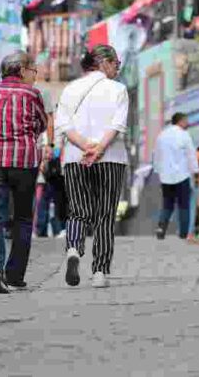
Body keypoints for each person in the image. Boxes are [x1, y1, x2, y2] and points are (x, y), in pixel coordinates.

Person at [55, 45, 130, 289]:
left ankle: (74, 248)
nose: (117, 68)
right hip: (111, 158)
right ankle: (99, 272)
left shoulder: (69, 89)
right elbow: (118, 125)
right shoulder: (118, 89)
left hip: (76, 157)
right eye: (116, 63)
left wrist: (85, 146)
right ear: (103, 62)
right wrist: (98, 149)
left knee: (78, 210)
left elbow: (64, 126)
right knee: (105, 215)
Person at [0, 52, 47, 294]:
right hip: (22, 159)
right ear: (22, 70)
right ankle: (15, 275)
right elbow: (41, 124)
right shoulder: (32, 93)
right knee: (23, 218)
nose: (34, 75)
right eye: (33, 70)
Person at [152, 113, 199, 240]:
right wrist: (195, 171)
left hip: (165, 176)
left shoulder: (162, 135)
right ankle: (183, 233)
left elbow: (156, 154)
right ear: (181, 121)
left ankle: (161, 229)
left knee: (167, 204)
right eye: (186, 121)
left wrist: (158, 171)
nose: (187, 123)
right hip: (182, 175)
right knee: (184, 204)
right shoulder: (184, 135)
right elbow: (191, 155)